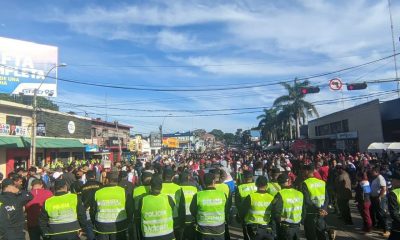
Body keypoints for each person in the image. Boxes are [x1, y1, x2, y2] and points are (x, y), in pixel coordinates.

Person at [91, 172, 132, 240]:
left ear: (107, 180)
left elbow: (92, 210)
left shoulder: (98, 192)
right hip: (119, 225)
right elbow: (130, 208)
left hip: (102, 225)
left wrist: (94, 222)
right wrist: (127, 221)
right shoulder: (123, 191)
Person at [190, 172, 228, 240]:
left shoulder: (198, 195)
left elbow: (192, 210)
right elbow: (226, 209)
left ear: (204, 182)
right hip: (219, 230)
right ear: (214, 181)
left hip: (203, 231)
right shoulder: (222, 195)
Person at [137, 175, 175, 240]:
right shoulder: (168, 199)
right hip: (167, 235)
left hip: (149, 236)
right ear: (161, 187)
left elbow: (139, 215)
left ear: (150, 187)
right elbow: (173, 211)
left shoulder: (143, 200)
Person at [271, 173, 305, 240]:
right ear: (289, 181)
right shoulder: (299, 193)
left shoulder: (280, 194)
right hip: (297, 227)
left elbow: (275, 212)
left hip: (285, 227)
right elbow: (304, 210)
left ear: (279, 183)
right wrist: (301, 221)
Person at [240, 176, 274, 240]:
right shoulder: (271, 198)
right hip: (267, 227)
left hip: (253, 228)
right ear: (267, 185)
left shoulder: (250, 197)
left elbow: (242, 211)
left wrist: (241, 219)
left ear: (256, 184)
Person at [301, 165, 329, 240]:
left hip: (310, 213)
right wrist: (323, 209)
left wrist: (318, 209)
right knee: (321, 234)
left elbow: (307, 200)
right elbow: (327, 198)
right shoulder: (322, 182)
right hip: (321, 213)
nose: (302, 173)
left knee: (310, 235)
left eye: (303, 171)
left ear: (307, 171)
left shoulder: (305, 183)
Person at [176, 171, 198, 240]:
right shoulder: (194, 188)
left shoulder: (177, 189)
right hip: (191, 217)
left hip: (181, 217)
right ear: (188, 178)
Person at [369, 166, 390, 237]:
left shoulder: (380, 178)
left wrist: (379, 197)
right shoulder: (376, 178)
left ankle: (386, 230)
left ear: (377, 172)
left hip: (380, 198)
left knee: (381, 213)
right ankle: (380, 226)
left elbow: (383, 188)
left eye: (373, 171)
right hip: (375, 197)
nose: (371, 172)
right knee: (377, 213)